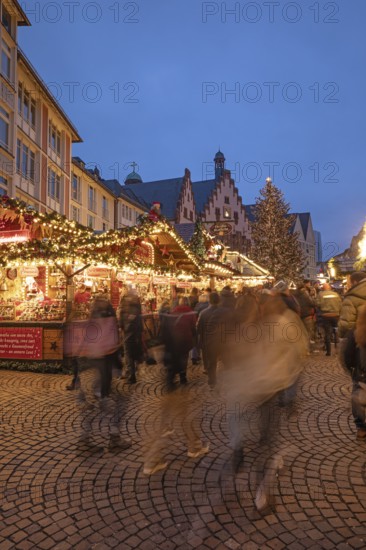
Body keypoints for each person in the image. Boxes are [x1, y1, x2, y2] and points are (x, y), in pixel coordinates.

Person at [161, 297, 196, 388]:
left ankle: (175, 374)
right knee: (184, 357)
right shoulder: (191, 312)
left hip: (175, 339)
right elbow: (193, 326)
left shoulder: (174, 311)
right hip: (186, 338)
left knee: (177, 356)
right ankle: (183, 376)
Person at [343, 305, 366, 439]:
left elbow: (347, 354)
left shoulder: (355, 331)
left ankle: (361, 427)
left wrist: (351, 368)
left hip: (361, 372)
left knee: (357, 397)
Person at [196, 292, 221, 388]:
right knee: (214, 360)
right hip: (219, 341)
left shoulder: (203, 313)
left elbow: (198, 330)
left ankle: (212, 379)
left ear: (209, 300)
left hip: (207, 341)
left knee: (210, 361)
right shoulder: (222, 312)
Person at [119, 290, 143, 384]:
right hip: (135, 331)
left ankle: (131, 375)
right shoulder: (136, 304)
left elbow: (126, 318)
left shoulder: (128, 306)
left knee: (128, 353)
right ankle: (131, 371)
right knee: (131, 352)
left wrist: (122, 326)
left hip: (129, 332)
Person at [316, 283, 342, 356]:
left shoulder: (320, 295)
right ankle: (337, 349)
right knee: (336, 330)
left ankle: (328, 352)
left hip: (326, 316)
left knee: (327, 333)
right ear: (330, 288)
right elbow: (340, 304)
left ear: (323, 288)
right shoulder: (336, 294)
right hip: (335, 315)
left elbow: (317, 304)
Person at [338, 272, 366, 337]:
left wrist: (341, 334)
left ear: (355, 282)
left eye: (350, 283)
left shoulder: (350, 298)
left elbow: (347, 324)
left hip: (360, 339)